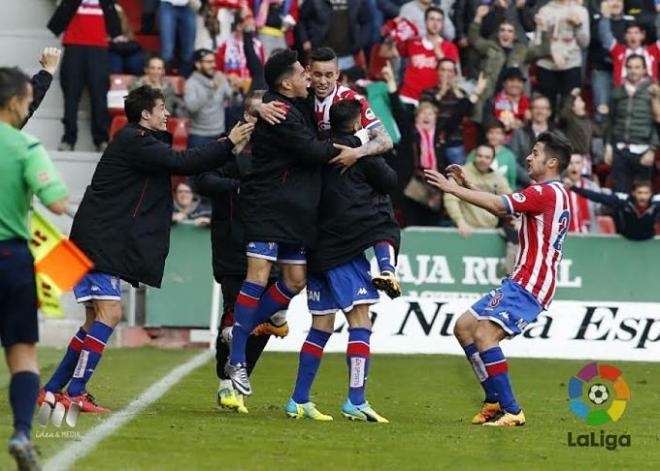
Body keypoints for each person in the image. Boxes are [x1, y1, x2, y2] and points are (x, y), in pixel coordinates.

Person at [37, 86, 253, 414]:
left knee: (94, 319)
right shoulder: (134, 141)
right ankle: (76, 393)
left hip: (96, 238)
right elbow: (184, 161)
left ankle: (52, 391)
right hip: (99, 241)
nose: (167, 114)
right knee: (111, 314)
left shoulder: (138, 141)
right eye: (161, 108)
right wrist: (227, 144)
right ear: (145, 115)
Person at [225, 49, 359, 396]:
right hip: (269, 208)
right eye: (303, 74)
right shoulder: (281, 111)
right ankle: (237, 357)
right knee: (257, 277)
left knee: (295, 280)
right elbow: (312, 152)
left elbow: (260, 99)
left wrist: (255, 104)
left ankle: (242, 327)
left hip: (296, 213)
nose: (309, 78)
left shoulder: (290, 103)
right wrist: (355, 144)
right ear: (287, 83)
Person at [425, 131, 572, 427]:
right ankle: (493, 399)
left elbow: (498, 205)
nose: (528, 157)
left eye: (535, 152)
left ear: (552, 162)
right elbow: (506, 211)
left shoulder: (544, 193)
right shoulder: (551, 194)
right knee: (465, 327)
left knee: (484, 335)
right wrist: (468, 184)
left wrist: (452, 190)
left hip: (532, 282)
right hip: (521, 278)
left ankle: (513, 410)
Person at [285, 99, 398, 422]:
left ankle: (298, 399)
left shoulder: (316, 149)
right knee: (360, 321)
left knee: (321, 324)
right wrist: (366, 144)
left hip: (316, 247)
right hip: (344, 248)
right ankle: (355, 400)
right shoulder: (354, 150)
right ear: (357, 121)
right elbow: (389, 180)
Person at [257, 47, 399, 294]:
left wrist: (357, 153)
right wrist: (257, 106)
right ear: (308, 72)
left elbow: (385, 140)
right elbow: (264, 94)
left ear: (338, 74)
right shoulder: (302, 93)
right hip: (308, 181)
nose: (322, 81)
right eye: (317, 74)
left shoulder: (351, 100)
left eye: (329, 75)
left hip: (339, 177)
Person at [195, 90, 286, 414]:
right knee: (237, 311)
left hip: (271, 243)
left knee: (264, 319)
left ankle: (238, 377)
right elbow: (202, 180)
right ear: (247, 116)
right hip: (232, 243)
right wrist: (237, 185)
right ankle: (225, 382)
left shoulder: (278, 149)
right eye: (258, 115)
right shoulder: (225, 145)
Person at [0, 67, 69, 470]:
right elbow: (56, 201)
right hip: (11, 259)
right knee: (22, 353)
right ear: (14, 104)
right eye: (28, 101)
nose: (29, 107)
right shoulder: (26, 147)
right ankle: (23, 433)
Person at [47, 0, 123, 152]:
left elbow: (115, 29)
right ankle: (69, 138)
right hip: (74, 46)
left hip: (99, 48)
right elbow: (57, 22)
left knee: (99, 95)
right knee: (70, 94)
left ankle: (101, 139)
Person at [468, 5, 550, 126]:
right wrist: (478, 17)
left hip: (512, 102)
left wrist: (543, 28)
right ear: (498, 33)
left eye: (510, 31)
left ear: (515, 36)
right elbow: (474, 39)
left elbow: (544, 49)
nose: (506, 33)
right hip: (488, 99)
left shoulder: (522, 50)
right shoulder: (490, 46)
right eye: (502, 30)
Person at [605, 54, 658, 193]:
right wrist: (609, 146)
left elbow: (657, 123)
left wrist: (653, 149)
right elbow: (611, 120)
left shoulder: (653, 91)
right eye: (629, 67)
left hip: (643, 150)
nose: (633, 71)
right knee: (620, 196)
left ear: (644, 70)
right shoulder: (617, 91)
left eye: (637, 67)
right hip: (620, 150)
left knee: (643, 197)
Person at [420, 61, 486, 165]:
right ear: (437, 72)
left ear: (454, 74)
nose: (446, 74)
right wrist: (441, 93)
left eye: (450, 70)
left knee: (458, 177)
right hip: (433, 142)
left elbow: (469, 113)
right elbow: (424, 112)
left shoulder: (460, 93)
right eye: (443, 69)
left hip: (455, 141)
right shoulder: (428, 92)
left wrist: (473, 93)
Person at [535, 0, 590, 112]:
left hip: (571, 65)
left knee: (569, 110)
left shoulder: (581, 11)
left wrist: (578, 25)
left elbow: (585, 43)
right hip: (546, 65)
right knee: (547, 109)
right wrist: (551, 53)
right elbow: (537, 43)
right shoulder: (544, 11)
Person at [446, 144, 511, 237]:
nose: (482, 160)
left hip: (491, 231)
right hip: (465, 231)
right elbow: (450, 199)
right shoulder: (460, 173)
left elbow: (509, 202)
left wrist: (516, 221)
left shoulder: (499, 178)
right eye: (480, 156)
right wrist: (460, 221)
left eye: (487, 157)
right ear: (474, 156)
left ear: (492, 160)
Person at [398, 6, 459, 106]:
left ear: (443, 24)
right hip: (408, 96)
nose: (435, 23)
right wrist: (396, 28)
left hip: (433, 98)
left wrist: (438, 51)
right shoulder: (412, 42)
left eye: (439, 20)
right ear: (425, 21)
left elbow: (451, 74)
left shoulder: (450, 47)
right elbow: (386, 52)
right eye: (432, 19)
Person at [184, 48, 242, 148]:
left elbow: (236, 103)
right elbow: (191, 108)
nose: (214, 65)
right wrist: (212, 89)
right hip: (198, 136)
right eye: (209, 62)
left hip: (219, 135)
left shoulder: (219, 78)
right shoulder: (191, 83)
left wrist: (236, 91)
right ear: (198, 64)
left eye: (214, 61)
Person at [569, 179, 659, 240]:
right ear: (633, 193)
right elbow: (598, 197)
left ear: (651, 194)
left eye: (646, 193)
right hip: (624, 242)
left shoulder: (656, 204)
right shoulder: (622, 202)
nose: (643, 197)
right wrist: (574, 188)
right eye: (639, 193)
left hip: (649, 242)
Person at [599, 3, 660, 87]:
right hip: (623, 96)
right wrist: (605, 18)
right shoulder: (618, 50)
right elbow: (605, 36)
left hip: (648, 95)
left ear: (643, 35)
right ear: (625, 36)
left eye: (636, 33)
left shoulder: (653, 51)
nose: (633, 36)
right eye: (629, 33)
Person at [509, 95, 561, 187]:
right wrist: (529, 179)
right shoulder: (519, 133)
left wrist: (549, 181)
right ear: (530, 111)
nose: (540, 111)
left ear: (549, 112)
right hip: (523, 186)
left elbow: (563, 161)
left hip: (551, 187)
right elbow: (512, 161)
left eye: (543, 108)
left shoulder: (558, 135)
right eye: (536, 108)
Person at [466, 120, 517, 191]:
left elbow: (512, 183)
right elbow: (466, 173)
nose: (494, 136)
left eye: (498, 133)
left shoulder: (509, 156)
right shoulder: (476, 152)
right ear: (486, 135)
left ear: (503, 136)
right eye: (491, 132)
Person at [563, 153, 601, 234]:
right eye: (570, 163)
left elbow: (600, 209)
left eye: (577, 163)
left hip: (589, 237)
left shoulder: (592, 187)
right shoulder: (559, 188)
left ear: (583, 165)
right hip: (565, 238)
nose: (574, 166)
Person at [160, 0, 197, 76]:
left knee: (188, 51)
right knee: (167, 51)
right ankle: (161, 83)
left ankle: (185, 82)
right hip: (167, 5)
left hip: (188, 6)